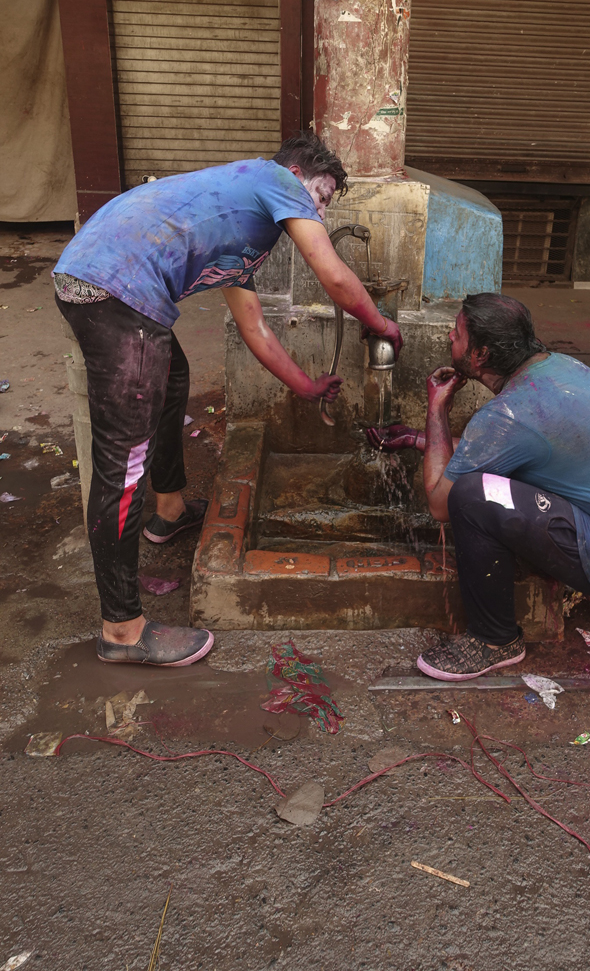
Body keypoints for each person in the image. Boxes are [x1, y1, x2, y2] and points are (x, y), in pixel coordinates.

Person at [54, 133, 402, 669]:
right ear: (297, 172)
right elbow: (333, 274)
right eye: (322, 194)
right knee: (121, 464)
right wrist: (382, 324)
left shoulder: (240, 226)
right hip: (114, 287)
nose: (320, 209)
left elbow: (255, 327)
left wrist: (305, 387)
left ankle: (168, 510)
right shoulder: (275, 179)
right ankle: (121, 630)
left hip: (108, 278)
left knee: (173, 378)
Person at [367, 293, 590, 681]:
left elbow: (440, 502)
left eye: (457, 333)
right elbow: (503, 449)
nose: (449, 336)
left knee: (473, 496)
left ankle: (494, 640)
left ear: (479, 355)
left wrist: (436, 412)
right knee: (507, 477)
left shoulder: (507, 414)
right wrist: (416, 440)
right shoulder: (559, 369)